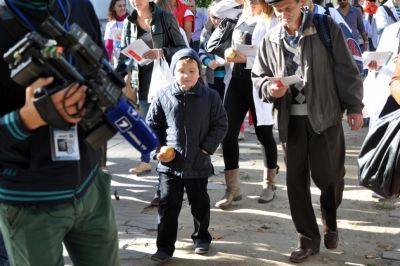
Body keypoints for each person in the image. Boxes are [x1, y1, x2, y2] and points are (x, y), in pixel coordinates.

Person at [0, 0, 120, 265]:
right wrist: (26, 119)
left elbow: (100, 66)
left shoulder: (79, 6)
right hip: (29, 201)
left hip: (90, 187)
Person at [252, 0, 364, 263]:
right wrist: (270, 89)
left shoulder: (325, 27)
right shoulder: (271, 37)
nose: (283, 14)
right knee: (295, 183)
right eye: (278, 10)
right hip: (290, 122)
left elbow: (346, 69)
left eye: (287, 8)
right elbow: (259, 77)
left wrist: (354, 107)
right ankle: (307, 240)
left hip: (325, 117)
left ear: (301, 3)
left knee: (329, 176)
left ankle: (330, 222)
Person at [146, 48, 228, 263]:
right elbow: (152, 125)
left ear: (199, 72)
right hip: (169, 164)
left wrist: (205, 149)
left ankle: (201, 238)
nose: (187, 75)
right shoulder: (163, 95)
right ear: (174, 72)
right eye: (182, 71)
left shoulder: (210, 96)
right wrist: (159, 149)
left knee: (199, 203)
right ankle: (164, 247)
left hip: (198, 161)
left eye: (192, 71)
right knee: (167, 205)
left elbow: (221, 124)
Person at [214, 0, 280, 209]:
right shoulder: (242, 15)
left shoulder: (272, 21)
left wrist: (246, 61)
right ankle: (232, 188)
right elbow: (216, 10)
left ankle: (270, 183)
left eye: (254, 0)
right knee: (227, 132)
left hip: (258, 81)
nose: (251, 2)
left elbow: (274, 56)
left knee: (263, 133)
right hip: (236, 81)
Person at [116, 0, 186, 176]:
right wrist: (117, 76)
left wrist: (161, 52)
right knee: (146, 124)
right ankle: (145, 161)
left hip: (164, 81)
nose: (135, 1)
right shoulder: (128, 23)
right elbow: (124, 56)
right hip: (141, 82)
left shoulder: (165, 17)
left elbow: (182, 48)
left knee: (168, 126)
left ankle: (174, 169)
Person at [104, 0, 128, 67]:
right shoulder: (110, 25)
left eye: (124, 5)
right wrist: (108, 64)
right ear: (113, 8)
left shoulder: (131, 21)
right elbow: (109, 46)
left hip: (131, 60)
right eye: (119, 6)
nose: (123, 8)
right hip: (118, 62)